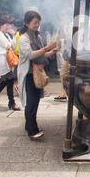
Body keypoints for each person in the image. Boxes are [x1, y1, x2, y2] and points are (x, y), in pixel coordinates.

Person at [17, 11, 59, 140]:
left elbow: (41, 55)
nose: (37, 25)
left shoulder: (37, 37)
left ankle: (30, 125)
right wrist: (47, 48)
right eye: (35, 23)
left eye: (38, 23)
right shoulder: (23, 38)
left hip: (36, 72)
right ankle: (31, 130)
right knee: (31, 102)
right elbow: (30, 55)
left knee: (35, 101)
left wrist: (54, 50)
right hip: (28, 73)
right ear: (27, 23)